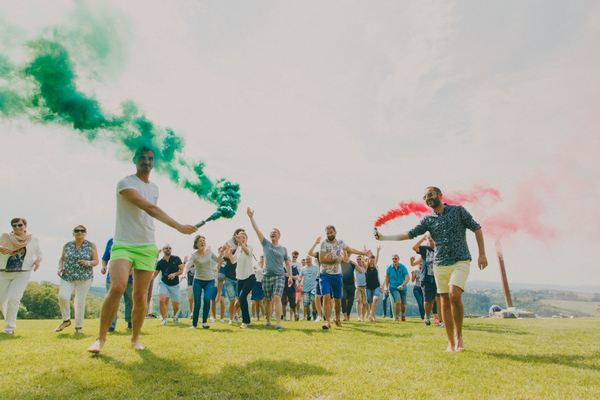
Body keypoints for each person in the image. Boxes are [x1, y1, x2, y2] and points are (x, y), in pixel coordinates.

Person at [87, 147, 197, 353]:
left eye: (150, 158)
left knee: (140, 296)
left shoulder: (154, 187)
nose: (146, 161)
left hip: (147, 246)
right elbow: (150, 209)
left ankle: (135, 338)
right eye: (142, 158)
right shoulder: (125, 183)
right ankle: (100, 339)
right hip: (124, 244)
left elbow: (149, 214)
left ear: (154, 162)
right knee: (118, 287)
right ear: (134, 160)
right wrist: (179, 226)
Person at [375, 186, 488, 352]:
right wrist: (384, 238)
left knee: (455, 295)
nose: (427, 198)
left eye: (430, 194)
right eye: (424, 197)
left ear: (440, 195)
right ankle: (450, 343)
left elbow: (476, 228)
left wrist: (482, 254)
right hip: (440, 264)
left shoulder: (458, 211)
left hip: (460, 260)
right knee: (445, 302)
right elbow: (409, 234)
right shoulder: (428, 220)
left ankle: (459, 337)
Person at [246, 208, 293, 330]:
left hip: (279, 276)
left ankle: (278, 323)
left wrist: (290, 276)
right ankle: (268, 320)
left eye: (275, 232)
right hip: (267, 276)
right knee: (267, 300)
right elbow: (257, 230)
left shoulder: (283, 249)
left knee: (277, 298)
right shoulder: (266, 244)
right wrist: (251, 217)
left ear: (279, 235)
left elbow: (287, 264)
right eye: (271, 232)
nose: (272, 234)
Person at [319, 225, 369, 330]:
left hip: (337, 275)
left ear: (335, 232)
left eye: (331, 233)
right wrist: (335, 260)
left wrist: (363, 252)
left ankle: (337, 318)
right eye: (327, 233)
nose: (329, 235)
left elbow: (351, 249)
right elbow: (322, 259)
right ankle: (327, 322)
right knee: (326, 297)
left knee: (338, 300)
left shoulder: (340, 242)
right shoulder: (324, 243)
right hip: (325, 274)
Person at [0, 218, 43, 335]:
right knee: (1, 300)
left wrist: (38, 260)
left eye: (20, 225)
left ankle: (9, 328)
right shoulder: (5, 236)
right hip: (4, 271)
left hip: (22, 272)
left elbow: (39, 252)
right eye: (14, 226)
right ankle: (7, 319)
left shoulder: (33, 239)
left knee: (13, 299)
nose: (17, 227)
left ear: (25, 225)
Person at [55, 225, 99, 334]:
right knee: (63, 297)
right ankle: (66, 320)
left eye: (82, 231)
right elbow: (62, 259)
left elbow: (96, 261)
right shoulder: (67, 245)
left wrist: (87, 263)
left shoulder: (91, 245)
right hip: (68, 276)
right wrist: (60, 268)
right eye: (77, 231)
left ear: (85, 233)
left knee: (79, 302)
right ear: (73, 233)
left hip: (84, 278)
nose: (80, 232)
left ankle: (78, 327)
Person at [184, 235, 224, 329]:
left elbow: (218, 260)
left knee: (207, 299)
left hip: (209, 281)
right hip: (197, 281)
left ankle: (204, 322)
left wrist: (222, 251)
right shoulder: (194, 255)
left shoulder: (209, 252)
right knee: (197, 303)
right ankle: (194, 324)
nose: (203, 242)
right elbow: (188, 265)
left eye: (204, 241)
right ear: (196, 244)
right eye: (200, 241)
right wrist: (183, 274)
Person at [101, 238, 133, 332]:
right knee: (112, 300)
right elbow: (105, 258)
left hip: (129, 277)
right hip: (112, 276)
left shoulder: (133, 240)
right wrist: (104, 267)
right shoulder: (111, 241)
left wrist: (134, 268)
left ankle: (130, 321)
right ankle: (111, 324)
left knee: (130, 300)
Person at [412, 234, 442, 327]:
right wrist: (423, 238)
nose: (433, 242)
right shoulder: (426, 249)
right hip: (426, 279)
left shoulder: (440, 249)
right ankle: (427, 317)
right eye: (431, 240)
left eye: (434, 240)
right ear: (428, 241)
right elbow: (414, 247)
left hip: (438, 278)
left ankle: (441, 321)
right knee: (428, 301)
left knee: (439, 299)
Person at [153, 244, 184, 325]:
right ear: (163, 250)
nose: (168, 249)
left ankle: (174, 314)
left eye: (170, 248)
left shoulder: (176, 259)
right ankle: (164, 319)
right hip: (163, 283)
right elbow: (155, 274)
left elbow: (182, 270)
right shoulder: (160, 262)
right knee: (161, 299)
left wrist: (174, 274)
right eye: (166, 248)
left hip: (174, 284)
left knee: (176, 306)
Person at [230, 231, 255, 329]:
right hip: (240, 278)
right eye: (240, 237)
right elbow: (233, 261)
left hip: (250, 277)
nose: (242, 239)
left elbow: (248, 253)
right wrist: (229, 253)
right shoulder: (238, 248)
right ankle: (247, 321)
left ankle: (244, 322)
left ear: (246, 239)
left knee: (241, 297)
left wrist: (241, 243)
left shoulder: (249, 247)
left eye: (243, 237)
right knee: (241, 299)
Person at [384, 255, 410, 322]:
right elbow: (386, 277)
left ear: (398, 259)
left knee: (403, 305)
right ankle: (397, 317)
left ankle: (403, 314)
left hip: (403, 287)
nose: (394, 260)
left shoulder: (403, 267)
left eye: (396, 258)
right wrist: (386, 287)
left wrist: (403, 285)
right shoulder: (389, 268)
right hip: (393, 287)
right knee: (398, 301)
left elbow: (407, 277)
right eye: (393, 259)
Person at [341, 252, 363, 321]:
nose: (347, 254)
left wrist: (355, 264)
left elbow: (361, 271)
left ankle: (348, 316)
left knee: (350, 302)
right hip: (343, 285)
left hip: (351, 285)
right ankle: (345, 316)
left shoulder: (352, 263)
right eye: (346, 253)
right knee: (343, 298)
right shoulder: (340, 262)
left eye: (349, 253)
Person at [281, 250, 300, 321]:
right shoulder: (282, 269)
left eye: (288, 261)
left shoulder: (294, 269)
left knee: (292, 303)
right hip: (283, 288)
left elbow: (297, 277)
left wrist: (290, 275)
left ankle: (295, 314)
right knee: (283, 303)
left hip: (291, 288)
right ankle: (284, 317)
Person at [307, 237, 323, 322]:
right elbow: (309, 253)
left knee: (328, 298)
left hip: (328, 276)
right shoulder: (318, 253)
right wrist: (315, 243)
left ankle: (328, 316)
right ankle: (319, 316)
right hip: (319, 276)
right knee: (317, 296)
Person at [299, 255, 318, 321]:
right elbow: (300, 277)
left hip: (313, 287)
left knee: (313, 300)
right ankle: (308, 316)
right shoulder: (303, 269)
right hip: (305, 288)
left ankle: (314, 313)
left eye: (309, 259)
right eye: (307, 260)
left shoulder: (316, 267)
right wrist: (299, 282)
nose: (308, 261)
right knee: (306, 304)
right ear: (305, 261)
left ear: (311, 260)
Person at [365, 249, 381, 322]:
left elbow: (377, 258)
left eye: (373, 260)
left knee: (376, 299)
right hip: (368, 287)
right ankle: (373, 318)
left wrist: (377, 251)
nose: (372, 261)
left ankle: (371, 315)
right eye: (371, 260)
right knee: (370, 303)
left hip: (376, 286)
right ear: (368, 260)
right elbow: (362, 261)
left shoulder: (375, 267)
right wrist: (364, 253)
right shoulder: (366, 267)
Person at [354, 253, 369, 322]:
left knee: (364, 303)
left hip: (364, 287)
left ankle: (362, 317)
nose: (359, 260)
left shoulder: (364, 267)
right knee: (358, 301)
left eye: (360, 259)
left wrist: (363, 253)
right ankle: (359, 317)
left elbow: (364, 261)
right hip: (358, 286)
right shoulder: (355, 267)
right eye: (358, 259)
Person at [251, 255, 265, 320]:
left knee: (261, 302)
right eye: (261, 256)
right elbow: (252, 269)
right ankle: (257, 317)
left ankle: (264, 315)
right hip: (256, 283)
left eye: (263, 257)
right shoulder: (257, 264)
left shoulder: (266, 266)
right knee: (256, 302)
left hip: (263, 284)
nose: (262, 258)